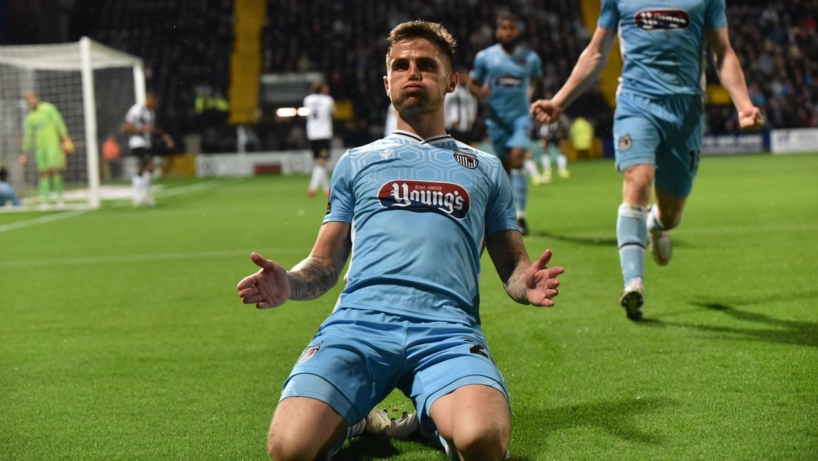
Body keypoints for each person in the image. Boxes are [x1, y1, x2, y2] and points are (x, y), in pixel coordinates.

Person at [237, 20, 564, 461]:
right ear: (387, 81)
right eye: (402, 65)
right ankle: (355, 417)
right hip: (358, 328)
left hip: (447, 331)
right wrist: (290, 284)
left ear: (452, 82)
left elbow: (513, 265)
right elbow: (325, 262)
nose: (414, 73)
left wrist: (527, 283)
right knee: (288, 448)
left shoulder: (484, 168)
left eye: (426, 65)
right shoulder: (356, 163)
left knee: (482, 440)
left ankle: (432, 419)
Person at [531, 0, 763, 320]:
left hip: (686, 111)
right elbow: (597, 52)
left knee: (671, 215)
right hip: (636, 103)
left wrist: (743, 104)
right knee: (638, 181)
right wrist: (559, 101)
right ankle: (633, 284)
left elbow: (721, 51)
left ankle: (656, 224)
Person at [469, 13, 543, 235]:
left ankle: (520, 216)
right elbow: (472, 83)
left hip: (521, 118)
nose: (507, 32)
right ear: (497, 32)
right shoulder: (485, 57)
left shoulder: (530, 58)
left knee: (518, 158)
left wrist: (539, 103)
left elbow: (539, 82)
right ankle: (506, 214)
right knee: (505, 169)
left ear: (517, 31)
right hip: (496, 120)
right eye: (503, 28)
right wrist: (481, 93)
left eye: (511, 28)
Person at [18, 91, 74, 208]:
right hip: (40, 147)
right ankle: (46, 200)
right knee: (43, 173)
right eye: (28, 100)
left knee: (54, 169)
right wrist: (24, 152)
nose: (31, 101)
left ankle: (60, 199)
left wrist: (65, 138)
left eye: (32, 98)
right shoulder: (30, 117)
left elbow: (59, 122)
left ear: (36, 98)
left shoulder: (48, 108)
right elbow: (28, 135)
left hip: (52, 144)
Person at [123, 93, 174, 207]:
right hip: (137, 143)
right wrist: (143, 129)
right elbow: (126, 127)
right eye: (154, 102)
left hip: (146, 144)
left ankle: (143, 196)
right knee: (150, 166)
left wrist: (165, 137)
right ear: (149, 99)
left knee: (144, 169)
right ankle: (139, 196)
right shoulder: (137, 110)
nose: (156, 105)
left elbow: (152, 130)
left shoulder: (150, 113)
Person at [303, 81, 336, 198]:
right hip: (324, 134)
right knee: (322, 161)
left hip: (312, 134)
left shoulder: (307, 100)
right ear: (322, 89)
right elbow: (333, 113)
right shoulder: (328, 100)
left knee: (320, 162)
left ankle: (327, 190)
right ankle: (313, 186)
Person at [444, 67, 479, 145]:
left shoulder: (469, 90)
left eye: (467, 75)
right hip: (453, 126)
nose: (466, 78)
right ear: (458, 77)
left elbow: (473, 105)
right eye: (464, 75)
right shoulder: (452, 89)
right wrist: (448, 121)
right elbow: (445, 104)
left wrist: (472, 118)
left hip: (466, 126)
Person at [538, 113, 571, 182]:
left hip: (557, 134)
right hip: (546, 134)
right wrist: (541, 136)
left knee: (561, 150)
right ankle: (547, 170)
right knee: (545, 150)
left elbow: (565, 125)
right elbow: (539, 123)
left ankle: (562, 170)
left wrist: (564, 136)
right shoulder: (544, 114)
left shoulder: (561, 115)